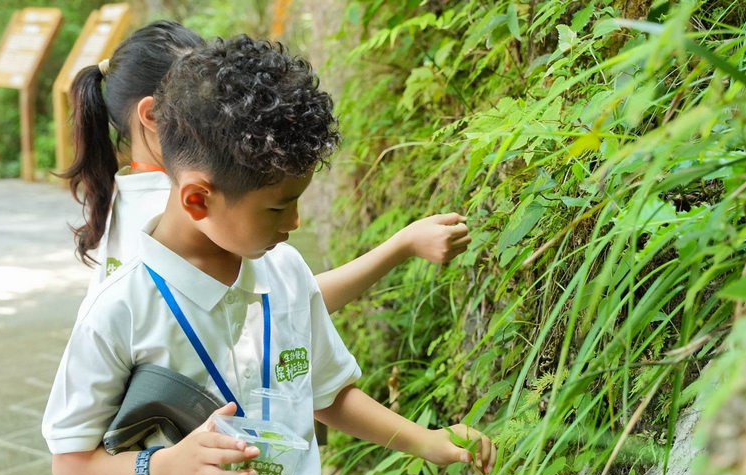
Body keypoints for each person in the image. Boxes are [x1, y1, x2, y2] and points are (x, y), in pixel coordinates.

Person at [42, 35, 496, 475]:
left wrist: (428, 442)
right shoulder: (121, 309)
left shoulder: (284, 269)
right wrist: (163, 468)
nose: (296, 223)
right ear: (197, 198)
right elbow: (71, 460)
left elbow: (325, 395)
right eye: (280, 207)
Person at [62, 20, 471, 310]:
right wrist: (401, 246)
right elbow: (291, 306)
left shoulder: (126, 194)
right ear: (152, 115)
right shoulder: (182, 213)